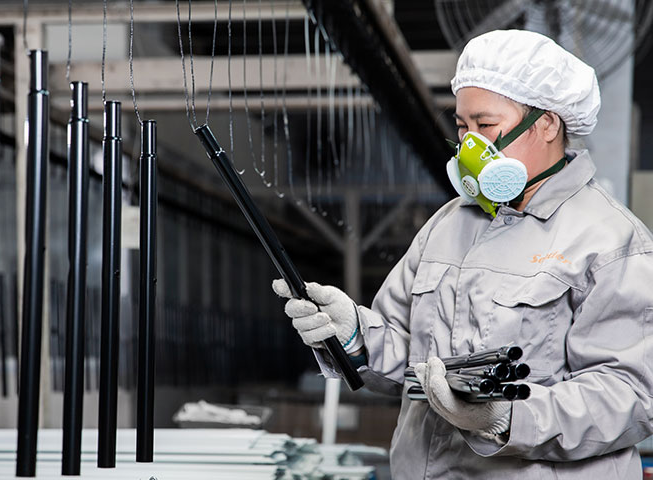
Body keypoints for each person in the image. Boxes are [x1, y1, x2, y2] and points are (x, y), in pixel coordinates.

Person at [272, 29, 653, 479]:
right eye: (461, 126)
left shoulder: (609, 239)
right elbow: (412, 363)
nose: (470, 145)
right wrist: (354, 336)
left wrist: (504, 418)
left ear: (548, 124)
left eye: (486, 126)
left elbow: (629, 396)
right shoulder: (448, 224)